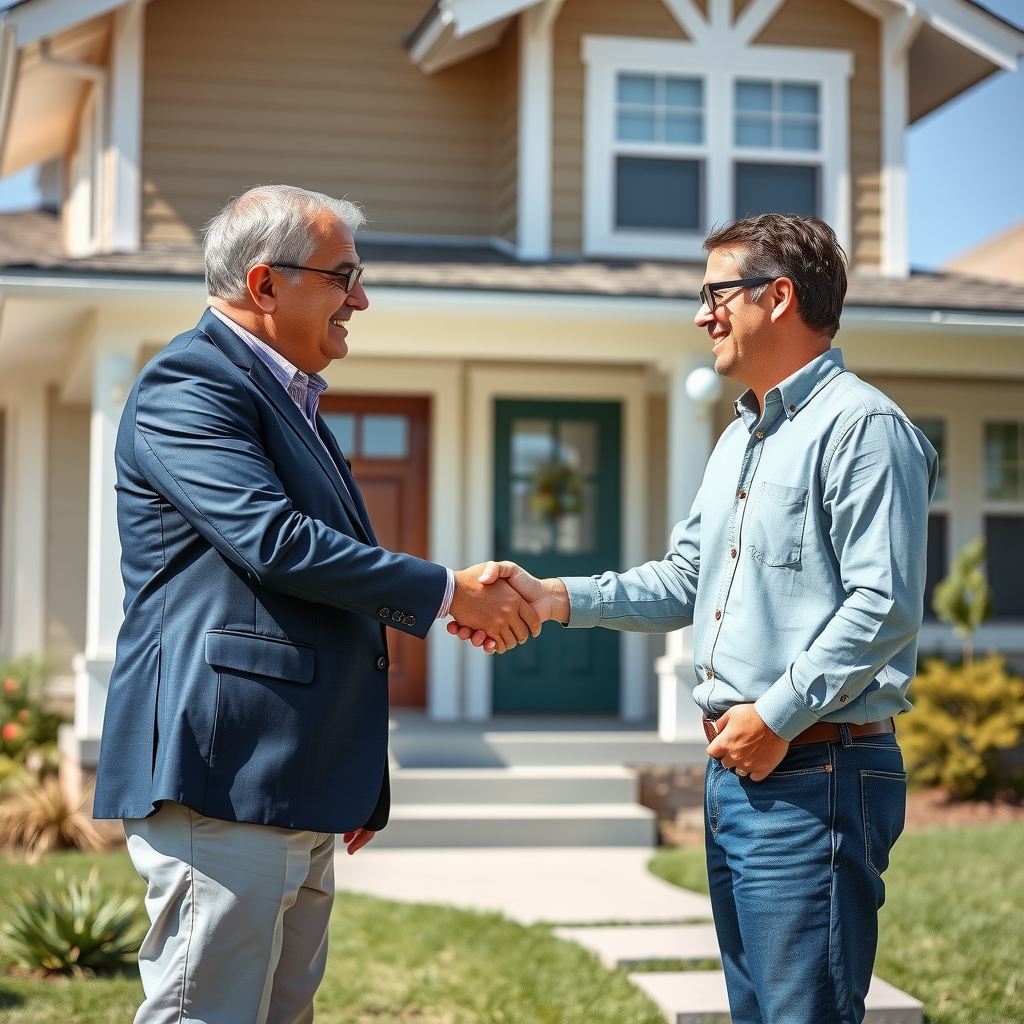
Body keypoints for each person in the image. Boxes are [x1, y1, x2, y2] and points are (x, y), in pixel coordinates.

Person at [452, 214, 937, 1024]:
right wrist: (553, 597)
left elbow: (882, 605)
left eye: (717, 293)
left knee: (804, 1013)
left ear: (778, 297)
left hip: (815, 771)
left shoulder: (864, 429)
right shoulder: (739, 440)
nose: (701, 313)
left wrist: (775, 717)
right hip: (740, 771)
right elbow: (686, 580)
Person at [93, 184, 539, 1024]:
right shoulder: (189, 383)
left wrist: (352, 779)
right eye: (344, 276)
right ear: (265, 284)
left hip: (292, 779)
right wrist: (449, 592)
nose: (360, 300)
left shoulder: (291, 401)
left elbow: (319, 592)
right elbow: (276, 543)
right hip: (223, 774)